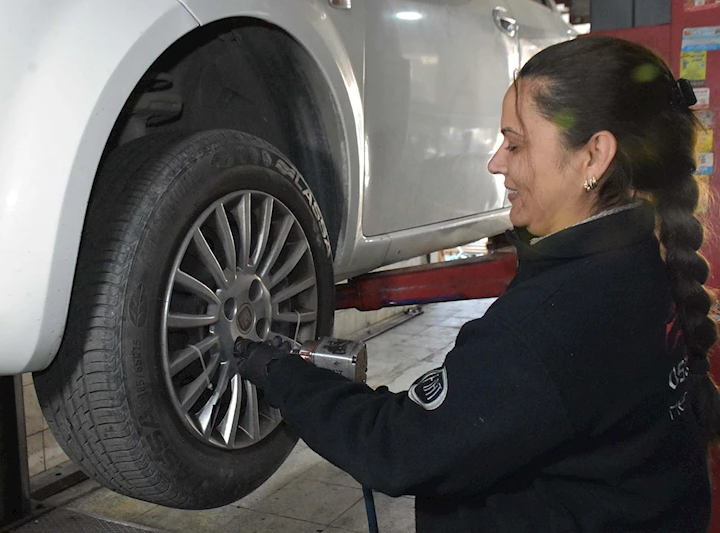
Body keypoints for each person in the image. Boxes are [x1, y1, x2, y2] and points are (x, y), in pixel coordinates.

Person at [234, 36, 720, 532]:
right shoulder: (640, 263)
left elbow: (400, 448)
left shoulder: (552, 322)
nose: (496, 162)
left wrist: (282, 374)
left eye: (516, 143)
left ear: (593, 156)